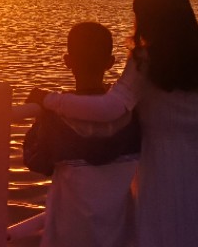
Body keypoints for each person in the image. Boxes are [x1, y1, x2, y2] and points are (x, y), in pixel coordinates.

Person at [27, 0, 198, 247]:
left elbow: (110, 108)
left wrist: (50, 99)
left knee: (162, 234)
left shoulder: (146, 58)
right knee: (197, 233)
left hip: (161, 163)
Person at [22, 21, 141, 247]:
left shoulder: (55, 119)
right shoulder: (134, 116)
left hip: (69, 235)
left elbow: (35, 161)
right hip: (119, 236)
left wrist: (42, 114)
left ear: (68, 62)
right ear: (110, 63)